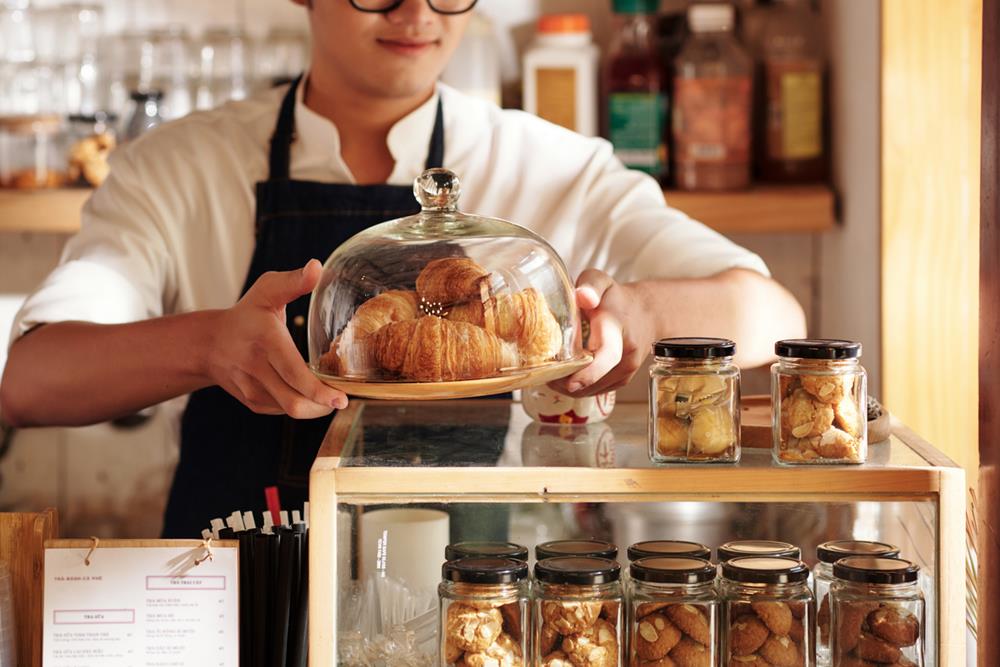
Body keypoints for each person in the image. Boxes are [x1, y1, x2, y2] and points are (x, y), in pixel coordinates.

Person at [0, 0, 805, 537]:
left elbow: (774, 315)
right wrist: (209, 346)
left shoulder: (552, 165)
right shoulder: (183, 166)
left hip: (482, 610)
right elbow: (30, 380)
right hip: (240, 610)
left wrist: (641, 315)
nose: (417, 11)